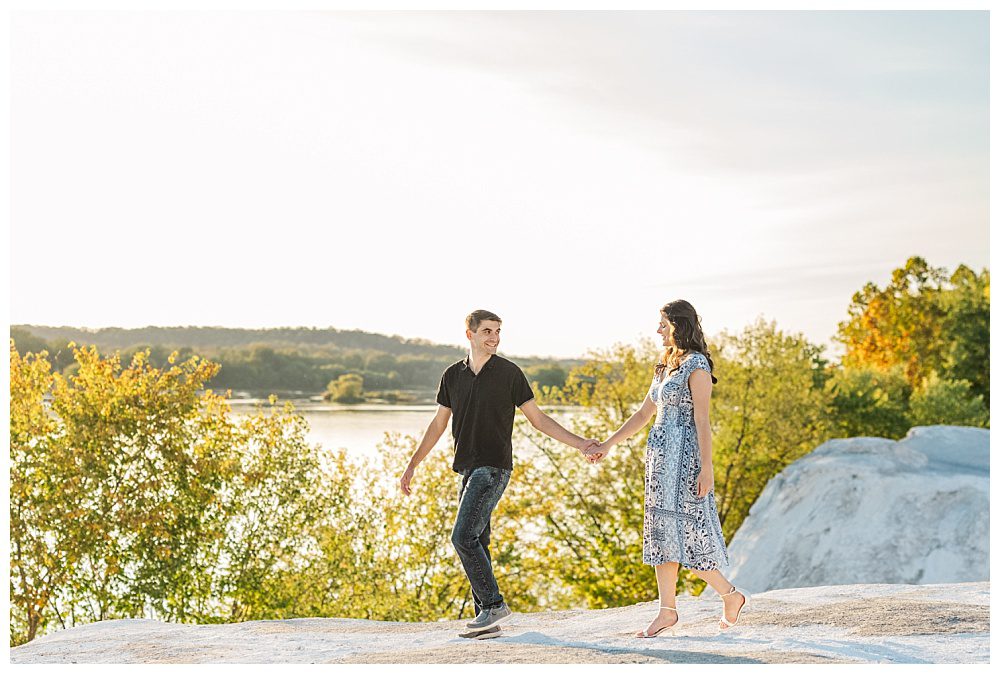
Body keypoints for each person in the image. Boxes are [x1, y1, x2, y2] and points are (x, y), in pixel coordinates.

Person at [399, 309, 600, 639]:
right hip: (466, 468)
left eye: (498, 332)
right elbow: (438, 425)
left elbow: (538, 419)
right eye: (487, 331)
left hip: (492, 468)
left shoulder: (509, 373)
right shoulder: (453, 376)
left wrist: (580, 444)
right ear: (470, 334)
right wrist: (412, 464)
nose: (494, 338)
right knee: (479, 541)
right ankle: (487, 620)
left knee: (462, 537)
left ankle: (493, 606)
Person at [588, 299, 748, 637]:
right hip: (660, 461)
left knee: (691, 535)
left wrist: (708, 468)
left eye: (663, 323)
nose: (658, 330)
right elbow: (644, 414)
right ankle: (667, 612)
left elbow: (703, 421)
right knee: (660, 534)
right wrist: (607, 444)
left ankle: (730, 596)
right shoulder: (664, 365)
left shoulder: (697, 366)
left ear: (678, 324)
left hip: (686, 461)